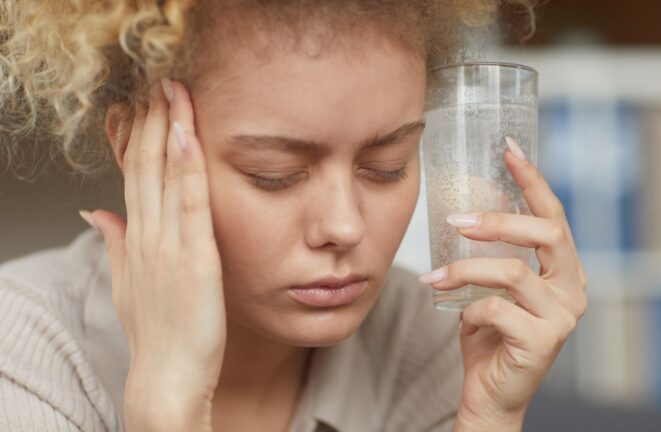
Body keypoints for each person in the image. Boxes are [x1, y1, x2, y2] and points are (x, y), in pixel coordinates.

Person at [0, 0, 588, 431]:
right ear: (137, 147)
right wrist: (168, 407)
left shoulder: (427, 343)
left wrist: (489, 419)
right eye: (273, 174)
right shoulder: (25, 354)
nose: (344, 226)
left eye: (386, 165)